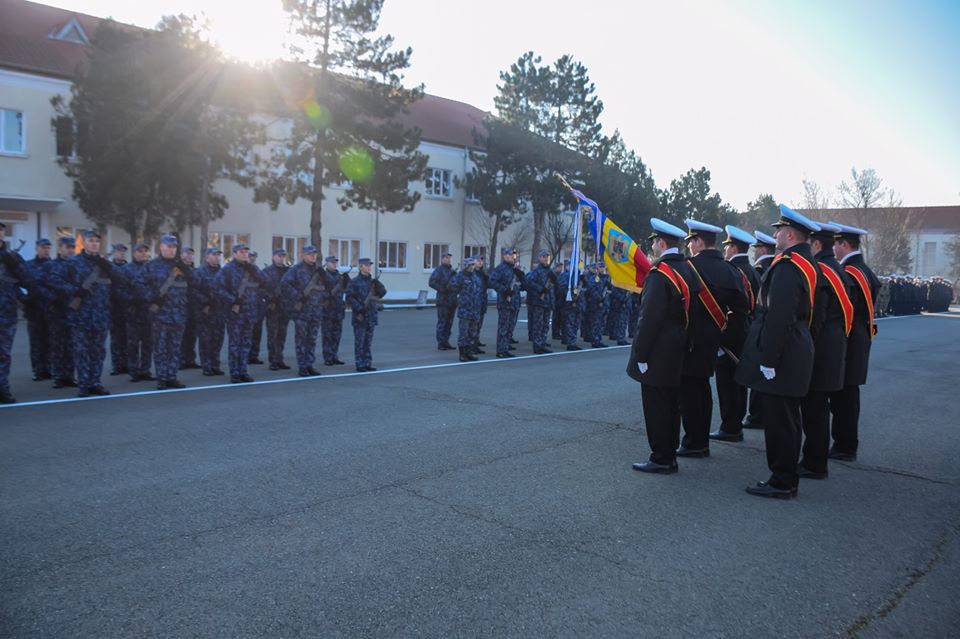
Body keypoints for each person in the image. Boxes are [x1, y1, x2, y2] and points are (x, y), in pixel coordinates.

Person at [735, 205, 821, 498]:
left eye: (778, 230)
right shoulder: (806, 264)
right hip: (796, 347)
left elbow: (779, 316)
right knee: (788, 418)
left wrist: (769, 359)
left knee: (780, 421)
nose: (775, 235)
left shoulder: (788, 267)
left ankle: (782, 480)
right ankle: (786, 477)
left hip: (784, 353)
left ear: (790, 234)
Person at [629, 219, 698, 474]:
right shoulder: (688, 269)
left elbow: (649, 319)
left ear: (660, 243)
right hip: (679, 345)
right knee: (671, 404)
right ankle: (669, 453)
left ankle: (661, 457)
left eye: (654, 243)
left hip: (658, 350)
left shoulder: (660, 274)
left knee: (657, 405)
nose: (653, 247)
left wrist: (641, 354)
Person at [679, 220, 749, 458]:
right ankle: (700, 441)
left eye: (690, 242)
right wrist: (723, 337)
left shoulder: (688, 267)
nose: (689, 246)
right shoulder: (732, 270)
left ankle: (694, 442)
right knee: (703, 391)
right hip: (716, 342)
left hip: (690, 340)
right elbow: (742, 310)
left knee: (690, 393)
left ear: (698, 242)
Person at [799, 222, 854, 480]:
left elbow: (816, 315)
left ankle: (814, 463)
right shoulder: (838, 269)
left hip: (821, 349)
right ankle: (816, 460)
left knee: (815, 409)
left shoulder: (821, 270)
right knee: (819, 407)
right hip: (834, 345)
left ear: (816, 244)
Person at [828, 222, 880, 463]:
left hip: (849, 340)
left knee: (845, 397)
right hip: (858, 338)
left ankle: (845, 446)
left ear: (844, 244)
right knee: (847, 394)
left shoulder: (850, 272)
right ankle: (845, 443)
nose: (833, 249)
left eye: (836, 244)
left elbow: (846, 310)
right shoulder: (861, 269)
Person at [46, 229, 118, 397]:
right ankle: (84, 384)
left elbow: (122, 281)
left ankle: (95, 382)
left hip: (100, 315)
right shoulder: (73, 262)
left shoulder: (105, 265)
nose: (94, 244)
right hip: (81, 316)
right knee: (81, 351)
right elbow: (53, 279)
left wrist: (110, 267)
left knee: (98, 352)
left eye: (97, 241)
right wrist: (74, 290)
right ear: (83, 243)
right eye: (91, 240)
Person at [709, 225, 761, 443]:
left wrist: (722, 337)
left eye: (728, 245)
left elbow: (727, 305)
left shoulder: (732, 270)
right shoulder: (752, 271)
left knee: (727, 382)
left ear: (733, 247)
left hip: (732, 331)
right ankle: (735, 424)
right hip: (748, 330)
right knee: (739, 381)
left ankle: (730, 427)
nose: (726, 249)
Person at [136, 235, 193, 390]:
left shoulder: (181, 266)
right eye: (168, 246)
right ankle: (162, 378)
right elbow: (139, 284)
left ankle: (171, 377)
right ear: (161, 247)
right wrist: (152, 298)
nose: (171, 249)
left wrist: (186, 269)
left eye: (174, 247)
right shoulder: (151, 266)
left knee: (175, 348)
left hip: (179, 313)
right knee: (161, 348)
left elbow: (194, 284)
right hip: (161, 314)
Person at [215, 243, 269, 383]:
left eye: (246, 252)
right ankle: (234, 373)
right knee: (235, 344)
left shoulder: (252, 269)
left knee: (246, 344)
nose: (245, 254)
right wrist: (233, 301)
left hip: (250, 313)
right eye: (241, 252)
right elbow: (217, 288)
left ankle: (243, 371)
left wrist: (253, 269)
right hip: (235, 313)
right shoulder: (227, 270)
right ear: (234, 254)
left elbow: (265, 281)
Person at [743, 230, 777, 430]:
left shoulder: (760, 268)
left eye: (756, 248)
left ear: (763, 249)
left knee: (757, 374)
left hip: (760, 323)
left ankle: (756, 415)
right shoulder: (776, 266)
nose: (754, 252)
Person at [279, 245, 324, 377]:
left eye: (314, 254)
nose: (313, 256)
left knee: (312, 339)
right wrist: (298, 296)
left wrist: (325, 277)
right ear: (303, 255)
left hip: (315, 310)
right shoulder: (296, 269)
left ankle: (310, 364)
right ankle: (302, 367)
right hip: (302, 311)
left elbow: (325, 287)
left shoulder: (318, 270)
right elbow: (284, 284)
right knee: (301, 340)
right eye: (310, 254)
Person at [0, 222, 31, 404]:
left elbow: (27, 280)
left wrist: (15, 267)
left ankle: (2, 389)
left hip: (6, 313)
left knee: (3, 354)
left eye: (1, 230)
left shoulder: (13, 257)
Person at [120, 243, 154, 382]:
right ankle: (134, 371)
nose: (143, 254)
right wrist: (132, 300)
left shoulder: (151, 269)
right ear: (134, 253)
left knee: (148, 342)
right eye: (140, 251)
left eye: (145, 251)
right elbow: (120, 289)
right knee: (133, 343)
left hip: (149, 311)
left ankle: (145, 370)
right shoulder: (126, 269)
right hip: (133, 311)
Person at [346, 257, 386, 372]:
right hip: (360, 316)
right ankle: (360, 364)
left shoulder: (372, 282)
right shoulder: (354, 282)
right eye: (366, 265)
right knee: (359, 341)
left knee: (368, 342)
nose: (369, 267)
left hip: (371, 317)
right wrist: (359, 308)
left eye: (369, 265)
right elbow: (349, 298)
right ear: (360, 267)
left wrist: (377, 284)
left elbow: (383, 293)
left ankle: (368, 363)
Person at [48, 236, 77, 389]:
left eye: (72, 247)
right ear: (60, 248)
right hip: (57, 310)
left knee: (71, 345)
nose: (70, 250)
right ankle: (59, 376)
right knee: (58, 345)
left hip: (74, 311)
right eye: (67, 247)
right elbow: (47, 283)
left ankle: (69, 376)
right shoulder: (51, 265)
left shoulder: (77, 265)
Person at [23, 238, 53, 382]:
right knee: (36, 342)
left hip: (51, 309)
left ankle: (49, 369)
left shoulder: (55, 266)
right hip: (34, 309)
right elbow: (18, 282)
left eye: (48, 247)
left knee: (51, 341)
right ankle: (38, 370)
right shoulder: (28, 266)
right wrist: (23, 299)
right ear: (37, 248)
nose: (46, 250)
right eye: (43, 247)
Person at [194, 248, 226, 377]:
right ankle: (206, 366)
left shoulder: (223, 272)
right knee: (206, 341)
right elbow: (194, 290)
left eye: (218, 255)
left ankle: (215, 365)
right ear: (207, 257)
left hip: (220, 311)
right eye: (214, 255)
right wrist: (205, 301)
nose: (217, 257)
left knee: (218, 340)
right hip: (206, 312)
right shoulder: (200, 272)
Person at [487, 247, 524, 358]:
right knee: (503, 327)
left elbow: (521, 283)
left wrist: (521, 275)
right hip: (505, 302)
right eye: (509, 255)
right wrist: (504, 290)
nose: (512, 257)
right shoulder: (501, 268)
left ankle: (506, 347)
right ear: (504, 256)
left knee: (510, 326)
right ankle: (501, 350)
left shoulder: (514, 269)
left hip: (514, 301)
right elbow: (492, 281)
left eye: (513, 255)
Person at [261, 248, 291, 371]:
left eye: (283, 256)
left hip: (284, 307)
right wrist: (270, 299)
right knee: (272, 335)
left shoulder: (288, 272)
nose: (281, 258)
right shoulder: (266, 272)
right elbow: (260, 288)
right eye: (279, 256)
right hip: (273, 308)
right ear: (273, 257)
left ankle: (280, 359)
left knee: (282, 335)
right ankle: (273, 361)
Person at [319, 255, 349, 366]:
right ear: (327, 263)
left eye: (336, 262)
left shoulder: (340, 277)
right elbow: (319, 291)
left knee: (337, 334)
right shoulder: (323, 276)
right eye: (332, 262)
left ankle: (334, 356)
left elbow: (347, 290)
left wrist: (347, 281)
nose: (334, 264)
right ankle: (327, 357)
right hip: (327, 310)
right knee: (327, 334)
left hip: (338, 310)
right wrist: (328, 295)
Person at [524, 250, 556, 354]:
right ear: (540, 258)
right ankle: (537, 346)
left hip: (547, 302)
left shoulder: (549, 271)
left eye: (547, 257)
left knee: (545, 325)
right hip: (538, 302)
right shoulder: (537, 271)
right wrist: (540, 289)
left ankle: (542, 344)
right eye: (544, 257)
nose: (546, 258)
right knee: (538, 324)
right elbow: (529, 282)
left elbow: (554, 283)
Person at [453, 256, 482, 361]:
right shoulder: (460, 276)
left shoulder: (475, 277)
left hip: (475, 310)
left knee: (472, 333)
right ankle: (462, 354)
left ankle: (469, 352)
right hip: (465, 310)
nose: (471, 267)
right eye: (469, 265)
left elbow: (479, 291)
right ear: (465, 265)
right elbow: (452, 287)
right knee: (463, 333)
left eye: (472, 265)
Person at [429, 251, 457, 351]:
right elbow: (431, 282)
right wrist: (442, 289)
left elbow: (457, 283)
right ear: (442, 259)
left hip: (452, 300)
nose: (448, 259)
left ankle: (446, 341)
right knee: (442, 322)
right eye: (446, 258)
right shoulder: (439, 270)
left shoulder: (453, 271)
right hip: (443, 300)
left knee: (449, 323)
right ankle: (441, 343)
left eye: (449, 258)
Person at [108, 243, 129, 376]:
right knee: (116, 339)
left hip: (127, 307)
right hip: (113, 307)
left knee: (127, 338)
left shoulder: (129, 268)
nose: (121, 253)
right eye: (119, 251)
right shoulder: (109, 268)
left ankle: (127, 364)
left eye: (123, 251)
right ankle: (117, 365)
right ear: (114, 253)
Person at [179, 246, 200, 370]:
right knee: (181, 336)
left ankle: (190, 359)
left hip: (193, 307)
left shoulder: (194, 270)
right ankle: (180, 360)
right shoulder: (176, 269)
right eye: (187, 253)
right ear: (181, 255)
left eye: (191, 254)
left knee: (192, 335)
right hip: (180, 307)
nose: (189, 256)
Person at [246, 250, 266, 366]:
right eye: (250, 256)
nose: (252, 258)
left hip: (258, 305)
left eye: (254, 256)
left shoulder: (257, 270)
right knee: (247, 333)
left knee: (257, 332)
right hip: (246, 306)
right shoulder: (242, 270)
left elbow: (265, 282)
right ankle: (246, 355)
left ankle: (254, 355)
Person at [582, 262, 608, 348]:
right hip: (595, 305)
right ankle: (595, 340)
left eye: (603, 267)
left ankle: (598, 339)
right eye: (600, 267)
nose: (602, 269)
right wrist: (599, 299)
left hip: (602, 305)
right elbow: (592, 291)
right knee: (595, 323)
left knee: (600, 323)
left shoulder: (603, 279)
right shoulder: (594, 279)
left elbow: (605, 290)